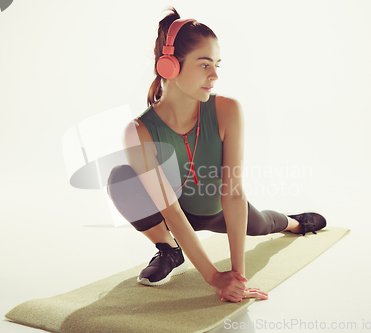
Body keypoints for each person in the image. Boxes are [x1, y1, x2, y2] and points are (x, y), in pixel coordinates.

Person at [107, 7, 326, 303]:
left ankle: (293, 222)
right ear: (169, 66)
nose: (214, 75)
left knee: (260, 223)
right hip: (174, 217)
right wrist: (213, 277)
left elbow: (233, 193)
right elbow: (171, 210)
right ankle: (169, 250)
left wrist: (237, 277)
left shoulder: (228, 110)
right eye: (204, 64)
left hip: (220, 209)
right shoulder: (138, 131)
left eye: (217, 65)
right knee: (120, 179)